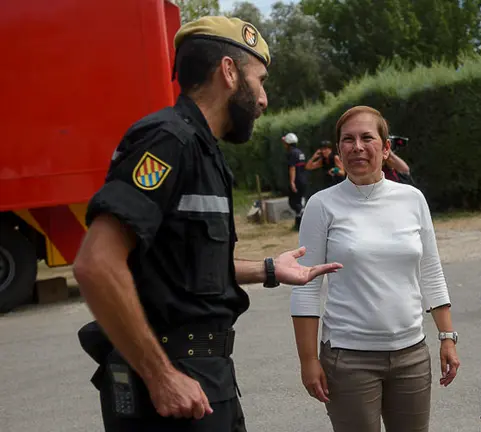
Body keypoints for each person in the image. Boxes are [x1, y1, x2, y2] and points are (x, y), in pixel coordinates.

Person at [72, 16, 342, 432]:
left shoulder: (203, 150)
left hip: (205, 376)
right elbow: (96, 265)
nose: (264, 98)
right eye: (261, 79)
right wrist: (161, 376)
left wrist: (269, 269)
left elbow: (181, 263)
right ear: (229, 73)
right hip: (169, 387)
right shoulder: (168, 140)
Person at [290, 105, 460, 432]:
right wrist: (308, 360)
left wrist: (447, 337)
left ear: (385, 149)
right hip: (349, 359)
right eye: (347, 140)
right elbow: (306, 287)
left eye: (367, 138)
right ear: (338, 151)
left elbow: (431, 271)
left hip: (411, 355)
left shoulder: (412, 200)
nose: (357, 146)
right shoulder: (321, 205)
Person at [282, 132, 308, 230]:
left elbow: (292, 168)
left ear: (288, 143)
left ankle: (303, 214)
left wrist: (292, 182)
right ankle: (299, 224)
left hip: (297, 180)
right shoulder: (300, 152)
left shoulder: (291, 153)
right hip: (303, 179)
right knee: (300, 201)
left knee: (293, 202)